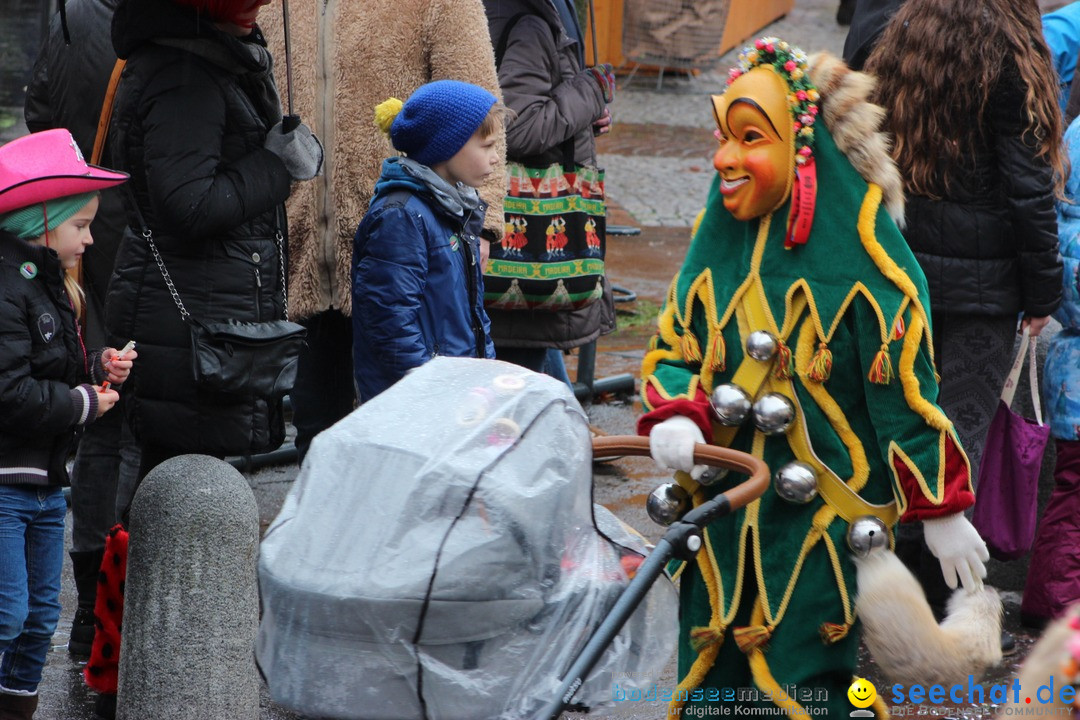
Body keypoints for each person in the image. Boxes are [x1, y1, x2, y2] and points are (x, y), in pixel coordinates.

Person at [639, 39, 987, 717]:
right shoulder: (715, 250)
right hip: (717, 524)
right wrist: (678, 410)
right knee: (712, 684)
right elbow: (672, 344)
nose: (724, 159)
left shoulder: (869, 273)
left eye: (749, 138)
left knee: (806, 687)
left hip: (817, 527)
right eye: (722, 137)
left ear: (801, 152)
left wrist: (943, 509)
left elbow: (902, 401)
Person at [866, 0, 1064, 627]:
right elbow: (1029, 192)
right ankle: (937, 608)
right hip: (985, 293)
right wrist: (1043, 295)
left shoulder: (900, 37)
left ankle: (879, 590)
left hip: (900, 276)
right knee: (961, 442)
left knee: (899, 429)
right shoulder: (1009, 50)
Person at [258, 0, 506, 464]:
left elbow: (477, 97)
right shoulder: (281, 5)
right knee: (318, 431)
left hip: (406, 229)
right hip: (301, 243)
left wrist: (484, 225)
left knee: (410, 434)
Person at [103, 0, 322, 482]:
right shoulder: (185, 74)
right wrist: (273, 166)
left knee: (184, 478)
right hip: (190, 316)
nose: (257, 7)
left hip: (204, 305)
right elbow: (189, 203)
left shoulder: (212, 58)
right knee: (182, 485)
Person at [0, 128, 133, 720]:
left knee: (40, 616)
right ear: (41, 220)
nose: (91, 236)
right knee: (7, 613)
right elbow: (10, 390)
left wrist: (101, 372)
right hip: (7, 481)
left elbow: (51, 368)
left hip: (47, 483)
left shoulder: (52, 284)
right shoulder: (10, 287)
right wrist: (83, 402)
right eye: (81, 224)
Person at [23, 0, 141, 658]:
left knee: (100, 405)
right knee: (124, 406)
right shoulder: (153, 23)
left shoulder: (68, 13)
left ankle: (87, 613)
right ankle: (112, 612)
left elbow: (41, 115)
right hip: (136, 238)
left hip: (82, 231)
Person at [481, 0, 616, 379]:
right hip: (527, 244)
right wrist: (591, 89)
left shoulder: (535, 12)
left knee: (539, 377)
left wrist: (586, 115)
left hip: (512, 253)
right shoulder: (531, 22)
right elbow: (519, 128)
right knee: (523, 389)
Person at [352, 81, 500, 401]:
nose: (496, 158)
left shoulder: (453, 207)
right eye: (487, 146)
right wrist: (429, 387)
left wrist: (484, 371)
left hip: (455, 389)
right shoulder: (401, 217)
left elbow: (471, 311)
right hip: (417, 399)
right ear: (448, 146)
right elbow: (390, 321)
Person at [1021, 115, 1080, 630]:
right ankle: (1054, 608)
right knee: (1074, 502)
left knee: (1070, 495)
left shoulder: (1074, 139)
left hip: (1070, 371)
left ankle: (1050, 604)